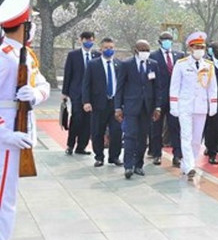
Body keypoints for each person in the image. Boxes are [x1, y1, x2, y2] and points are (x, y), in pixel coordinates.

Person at [0, 0, 51, 240]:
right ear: (25, 25)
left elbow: (41, 83)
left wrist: (36, 94)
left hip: (18, 133)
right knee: (2, 203)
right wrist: (4, 133)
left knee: (8, 201)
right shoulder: (4, 57)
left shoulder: (24, 55)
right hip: (7, 136)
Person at [169, 32, 218, 181]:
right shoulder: (181, 64)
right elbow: (175, 86)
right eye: (196, 47)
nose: (199, 50)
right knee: (186, 136)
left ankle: (188, 163)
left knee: (197, 139)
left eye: (202, 47)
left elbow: (212, 87)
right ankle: (190, 166)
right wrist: (174, 105)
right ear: (190, 48)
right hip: (185, 105)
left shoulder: (208, 66)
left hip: (201, 105)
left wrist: (213, 105)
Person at [114, 40, 161, 180]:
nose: (145, 52)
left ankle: (138, 165)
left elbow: (157, 87)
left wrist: (157, 107)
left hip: (147, 108)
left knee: (142, 138)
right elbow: (120, 88)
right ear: (135, 50)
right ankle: (128, 166)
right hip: (131, 107)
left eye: (147, 49)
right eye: (142, 49)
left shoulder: (153, 64)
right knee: (130, 136)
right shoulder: (126, 65)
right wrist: (118, 107)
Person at [82, 37, 123, 167]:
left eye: (111, 48)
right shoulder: (93, 64)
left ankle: (114, 156)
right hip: (98, 103)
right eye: (106, 48)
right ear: (101, 49)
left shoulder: (119, 64)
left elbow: (122, 85)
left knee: (116, 131)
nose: (109, 50)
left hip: (115, 104)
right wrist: (86, 101)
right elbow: (86, 84)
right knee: (97, 131)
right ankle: (99, 157)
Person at [149, 31, 184, 166]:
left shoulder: (179, 56)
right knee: (156, 127)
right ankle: (157, 154)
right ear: (159, 41)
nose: (167, 41)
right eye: (164, 39)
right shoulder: (153, 56)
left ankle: (177, 155)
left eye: (169, 39)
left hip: (175, 98)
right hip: (159, 97)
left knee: (175, 127)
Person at [62, 31, 99, 155]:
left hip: (92, 94)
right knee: (77, 118)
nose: (89, 42)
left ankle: (81, 146)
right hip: (77, 92)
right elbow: (68, 74)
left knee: (88, 121)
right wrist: (64, 92)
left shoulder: (97, 55)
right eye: (86, 39)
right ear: (81, 40)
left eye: (91, 40)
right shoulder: (73, 55)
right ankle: (70, 145)